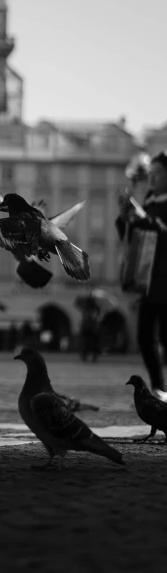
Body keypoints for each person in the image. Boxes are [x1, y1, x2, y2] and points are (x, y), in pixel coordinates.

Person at [116, 150, 167, 401]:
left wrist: (146, 219)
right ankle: (160, 388)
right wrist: (125, 218)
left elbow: (161, 231)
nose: (153, 178)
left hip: (166, 277)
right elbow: (133, 236)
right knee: (146, 335)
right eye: (151, 174)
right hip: (148, 278)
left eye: (158, 174)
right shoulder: (149, 199)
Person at [78, 293, 102, 362]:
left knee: (85, 342)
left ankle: (84, 355)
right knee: (93, 342)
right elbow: (97, 318)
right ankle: (93, 356)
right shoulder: (96, 309)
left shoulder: (85, 308)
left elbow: (83, 319)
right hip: (92, 327)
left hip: (86, 327)